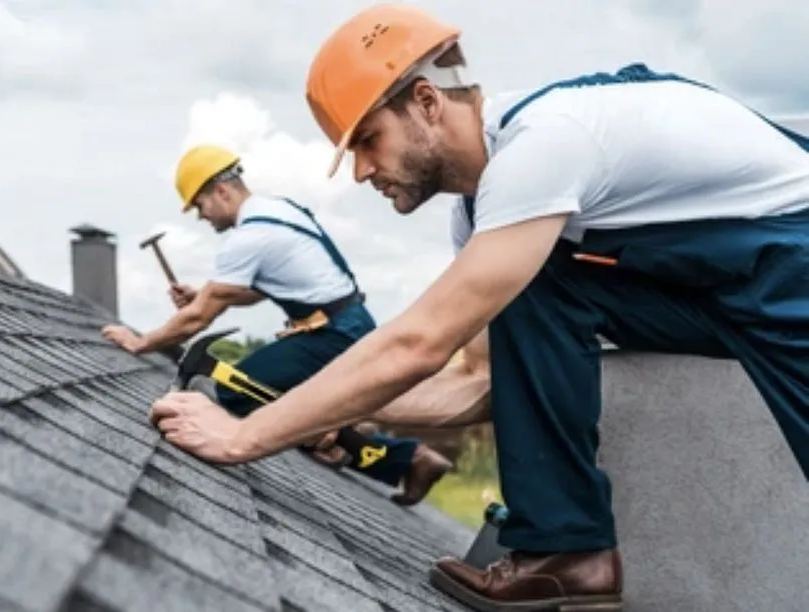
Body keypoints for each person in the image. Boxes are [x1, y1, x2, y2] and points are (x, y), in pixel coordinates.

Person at [148, 4, 809, 611]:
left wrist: (244, 433)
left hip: (793, 266)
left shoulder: (545, 145)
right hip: (722, 291)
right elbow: (478, 382)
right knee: (540, 284)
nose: (359, 172)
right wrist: (320, 411)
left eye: (367, 141)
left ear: (427, 102)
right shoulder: (489, 218)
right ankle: (567, 550)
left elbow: (419, 343)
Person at [102, 143, 453, 505]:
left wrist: (140, 342)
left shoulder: (250, 236)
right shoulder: (278, 211)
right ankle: (379, 448)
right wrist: (203, 296)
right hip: (344, 325)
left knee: (235, 390)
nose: (202, 217)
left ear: (221, 191)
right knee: (284, 399)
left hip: (331, 334)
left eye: (200, 206)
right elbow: (254, 292)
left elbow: (198, 318)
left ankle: (350, 441)